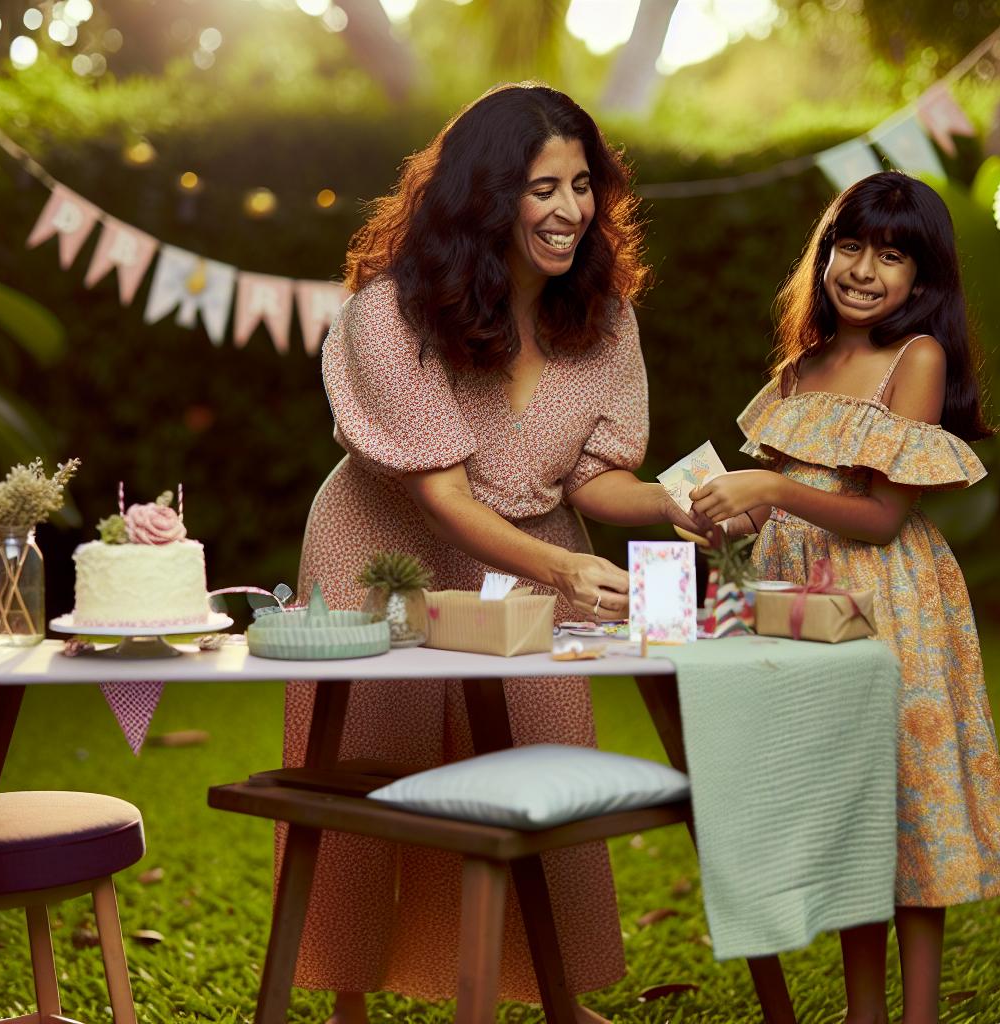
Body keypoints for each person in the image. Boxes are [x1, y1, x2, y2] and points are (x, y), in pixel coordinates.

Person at [285, 83, 708, 1024]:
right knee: (371, 767)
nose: (569, 211)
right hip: (381, 547)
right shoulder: (391, 318)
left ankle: (552, 997)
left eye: (582, 185)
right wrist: (562, 570)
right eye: (541, 188)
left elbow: (594, 484)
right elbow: (443, 499)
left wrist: (685, 506)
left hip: (533, 551)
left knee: (539, 751)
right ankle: (348, 1004)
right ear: (484, 196)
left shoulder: (602, 317)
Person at [688, 171, 1000, 1024]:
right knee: (848, 808)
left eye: (893, 255)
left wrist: (774, 490)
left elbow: (878, 517)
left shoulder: (917, 359)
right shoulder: (800, 368)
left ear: (924, 277)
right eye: (851, 245)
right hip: (796, 604)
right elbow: (774, 499)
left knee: (905, 804)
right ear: (824, 253)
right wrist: (726, 518)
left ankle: (918, 1015)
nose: (866, 270)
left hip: (886, 604)